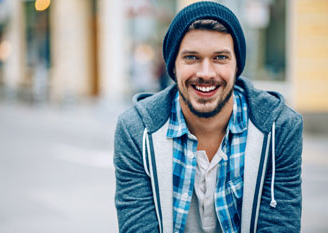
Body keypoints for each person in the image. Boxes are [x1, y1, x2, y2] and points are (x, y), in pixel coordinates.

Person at [114, 1, 303, 233]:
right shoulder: (135, 130)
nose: (205, 73)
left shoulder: (279, 127)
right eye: (191, 57)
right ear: (173, 66)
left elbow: (279, 227)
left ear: (237, 66)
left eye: (220, 58)